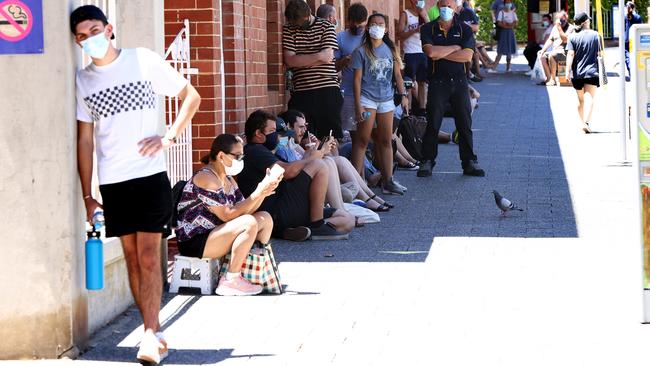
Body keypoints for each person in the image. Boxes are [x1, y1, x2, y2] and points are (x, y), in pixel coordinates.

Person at [70, 5, 201, 364]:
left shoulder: (142, 60)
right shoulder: (83, 81)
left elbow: (191, 96)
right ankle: (152, 331)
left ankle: (148, 332)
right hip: (113, 182)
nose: (90, 40)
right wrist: (87, 195)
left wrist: (169, 137)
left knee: (147, 255)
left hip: (149, 176)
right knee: (130, 258)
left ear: (109, 29)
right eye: (82, 37)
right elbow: (84, 141)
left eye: (94, 31)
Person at [176, 135, 280, 296]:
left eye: (242, 156)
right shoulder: (206, 178)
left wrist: (263, 193)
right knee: (248, 223)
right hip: (196, 240)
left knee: (264, 218)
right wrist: (258, 190)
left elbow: (246, 209)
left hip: (217, 234)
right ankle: (231, 280)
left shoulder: (229, 180)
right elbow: (228, 215)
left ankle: (254, 272)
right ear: (221, 156)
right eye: (237, 156)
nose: (240, 160)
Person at [237, 110, 354, 240]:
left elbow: (297, 169)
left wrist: (311, 154)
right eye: (272, 132)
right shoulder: (255, 150)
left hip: (288, 208)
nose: (276, 136)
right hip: (276, 211)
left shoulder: (265, 150)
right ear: (258, 133)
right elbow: (287, 172)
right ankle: (317, 225)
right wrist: (312, 158)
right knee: (320, 165)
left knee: (347, 219)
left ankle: (301, 231)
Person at [418, 0, 485, 178]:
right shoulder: (427, 29)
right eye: (443, 5)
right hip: (437, 82)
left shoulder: (465, 29)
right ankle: (427, 161)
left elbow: (467, 57)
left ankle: (469, 161)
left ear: (456, 8)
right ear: (438, 7)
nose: (446, 8)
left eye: (450, 5)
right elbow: (431, 53)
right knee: (433, 122)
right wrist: (456, 47)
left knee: (464, 123)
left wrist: (443, 52)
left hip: (460, 81)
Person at [279, 110, 393, 212]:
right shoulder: (283, 146)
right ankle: (362, 200)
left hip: (316, 180)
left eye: (305, 126)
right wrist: (322, 150)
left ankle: (369, 196)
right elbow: (307, 163)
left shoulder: (293, 144)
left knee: (340, 162)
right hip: (308, 186)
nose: (304, 131)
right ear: (288, 127)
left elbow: (309, 159)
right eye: (301, 127)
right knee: (334, 161)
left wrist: (318, 146)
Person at [352, 13, 410, 195]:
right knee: (362, 140)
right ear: (368, 27)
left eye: (381, 24)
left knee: (386, 140)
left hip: (386, 101)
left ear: (386, 29)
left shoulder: (390, 50)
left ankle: (388, 181)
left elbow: (398, 75)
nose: (377, 26)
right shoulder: (360, 51)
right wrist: (358, 105)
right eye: (374, 23)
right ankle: (355, 184)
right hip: (367, 100)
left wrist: (404, 95)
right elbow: (357, 80)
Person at [283, 0, 343, 139]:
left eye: (301, 23)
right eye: (295, 24)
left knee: (330, 138)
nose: (298, 27)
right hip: (301, 91)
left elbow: (328, 57)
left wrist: (301, 59)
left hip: (327, 89)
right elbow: (290, 60)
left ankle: (333, 161)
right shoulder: (289, 28)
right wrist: (318, 56)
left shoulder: (326, 26)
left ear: (309, 14)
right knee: (304, 138)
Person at [336, 3, 368, 133]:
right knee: (351, 133)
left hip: (370, 94)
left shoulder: (372, 37)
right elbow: (333, 67)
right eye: (354, 24)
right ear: (348, 21)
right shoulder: (340, 37)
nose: (357, 27)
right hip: (349, 93)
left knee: (372, 132)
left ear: (366, 21)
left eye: (361, 24)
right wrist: (346, 60)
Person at [566, 12, 601, 134]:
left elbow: (570, 54)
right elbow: (600, 54)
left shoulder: (572, 37)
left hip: (577, 73)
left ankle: (581, 123)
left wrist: (567, 71)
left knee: (580, 100)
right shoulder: (596, 35)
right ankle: (586, 122)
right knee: (589, 97)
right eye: (588, 20)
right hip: (592, 71)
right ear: (585, 22)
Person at [398, 0, 430, 115]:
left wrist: (424, 15)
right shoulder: (405, 14)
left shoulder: (424, 13)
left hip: (423, 52)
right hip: (410, 53)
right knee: (409, 83)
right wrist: (415, 30)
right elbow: (400, 35)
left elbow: (431, 30)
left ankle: (422, 109)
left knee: (423, 82)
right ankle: (409, 110)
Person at [537, 11, 571, 85]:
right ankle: (549, 78)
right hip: (556, 50)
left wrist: (559, 28)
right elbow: (550, 39)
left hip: (565, 51)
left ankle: (553, 79)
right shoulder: (555, 27)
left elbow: (565, 40)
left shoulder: (570, 28)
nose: (561, 21)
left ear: (566, 19)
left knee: (553, 54)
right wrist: (543, 50)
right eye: (559, 19)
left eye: (562, 19)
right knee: (542, 56)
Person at [490, 0, 518, 73]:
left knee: (509, 50)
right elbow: (499, 23)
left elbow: (516, 23)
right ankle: (494, 67)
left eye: (509, 3)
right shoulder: (500, 12)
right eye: (507, 3)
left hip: (510, 33)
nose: (508, 5)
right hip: (503, 32)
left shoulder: (513, 13)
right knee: (500, 49)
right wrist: (507, 26)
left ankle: (508, 68)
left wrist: (509, 25)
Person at [625, 2, 643, 76]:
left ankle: (630, 69)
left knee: (627, 55)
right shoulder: (638, 17)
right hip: (635, 39)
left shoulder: (625, 17)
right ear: (634, 8)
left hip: (627, 40)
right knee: (635, 54)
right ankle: (635, 71)